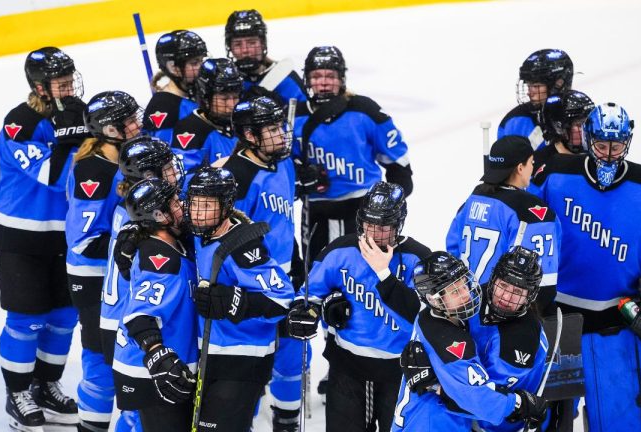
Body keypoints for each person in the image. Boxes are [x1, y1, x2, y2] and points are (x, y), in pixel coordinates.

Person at [529, 102, 641, 431]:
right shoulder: (555, 175)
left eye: (616, 146)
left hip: (618, 321)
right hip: (559, 320)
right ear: (588, 140)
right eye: (601, 145)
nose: (608, 154)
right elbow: (526, 223)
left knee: (621, 421)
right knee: (551, 420)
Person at [0, 46, 88, 431]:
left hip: (65, 236)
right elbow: (51, 175)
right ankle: (18, 393)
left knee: (64, 318)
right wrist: (68, 139)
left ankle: (46, 386)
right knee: (26, 319)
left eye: (70, 80)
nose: (68, 88)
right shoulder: (19, 123)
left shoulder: (78, 113)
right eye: (60, 82)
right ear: (40, 86)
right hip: (22, 238)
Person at [288, 181, 431, 431]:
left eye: (383, 227)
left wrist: (383, 273)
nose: (374, 233)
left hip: (400, 373)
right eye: (369, 224)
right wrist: (307, 311)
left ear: (399, 224)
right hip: (348, 370)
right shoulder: (339, 251)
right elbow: (309, 296)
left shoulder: (418, 259)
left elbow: (422, 314)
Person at [186, 166, 295, 431]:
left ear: (225, 206)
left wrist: (232, 300)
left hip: (243, 360)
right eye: (194, 204)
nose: (198, 213)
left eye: (207, 205)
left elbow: (282, 299)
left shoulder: (243, 246)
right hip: (212, 355)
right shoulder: (201, 234)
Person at [394, 248, 549, 431]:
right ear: (493, 279)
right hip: (438, 421)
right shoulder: (465, 307)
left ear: (529, 296)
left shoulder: (523, 339)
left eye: (518, 292)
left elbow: (481, 401)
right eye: (504, 286)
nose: (506, 297)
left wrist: (435, 384)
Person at [222, 96, 303, 429]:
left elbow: (284, 222)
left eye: (279, 126)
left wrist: (296, 264)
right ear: (250, 136)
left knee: (293, 358)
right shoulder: (236, 176)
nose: (281, 134)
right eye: (271, 129)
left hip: (286, 281)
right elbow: (229, 240)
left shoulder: (282, 161)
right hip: (252, 287)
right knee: (251, 365)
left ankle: (286, 423)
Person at [64, 90, 142, 431]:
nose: (137, 125)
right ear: (109, 130)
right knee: (99, 355)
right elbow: (84, 240)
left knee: (121, 352)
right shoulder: (93, 170)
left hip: (116, 277)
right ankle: (91, 426)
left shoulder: (126, 159)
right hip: (93, 277)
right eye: (128, 121)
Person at [293, 46, 414, 264]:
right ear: (307, 80)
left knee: (368, 271)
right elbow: (284, 166)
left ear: (341, 78)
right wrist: (297, 178)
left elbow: (397, 162)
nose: (323, 82)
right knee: (316, 273)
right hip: (315, 211)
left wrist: (394, 200)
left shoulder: (363, 109)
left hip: (363, 211)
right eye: (317, 76)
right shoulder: (295, 117)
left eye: (330, 76)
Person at [101, 135, 183, 431]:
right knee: (140, 417)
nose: (175, 172)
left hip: (121, 322)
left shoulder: (133, 210)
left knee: (136, 415)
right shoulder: (149, 226)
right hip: (134, 327)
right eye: (168, 168)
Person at [111, 178, 198, 431]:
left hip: (156, 365)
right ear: (160, 215)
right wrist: (157, 355)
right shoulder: (158, 257)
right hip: (151, 370)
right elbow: (140, 317)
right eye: (175, 203)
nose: (182, 206)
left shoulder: (177, 245)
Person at [446, 135, 560, 313]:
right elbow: (543, 284)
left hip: (469, 311)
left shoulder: (471, 201)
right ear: (520, 167)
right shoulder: (530, 212)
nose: (533, 167)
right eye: (531, 162)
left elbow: (452, 250)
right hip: (507, 320)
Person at [170, 57, 243, 173]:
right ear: (206, 98)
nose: (232, 105)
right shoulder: (189, 130)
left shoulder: (244, 121)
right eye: (224, 99)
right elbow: (183, 179)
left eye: (235, 97)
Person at [224, 9, 307, 105]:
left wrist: (281, 108)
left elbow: (305, 117)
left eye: (251, 43)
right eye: (238, 44)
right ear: (230, 47)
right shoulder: (224, 82)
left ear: (263, 43)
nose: (245, 50)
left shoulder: (286, 79)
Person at [498, 49, 573, 151]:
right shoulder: (514, 122)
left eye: (536, 86)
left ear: (558, 84)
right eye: (528, 85)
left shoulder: (580, 115)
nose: (529, 93)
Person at [143, 30, 207, 142]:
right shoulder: (164, 108)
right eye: (194, 63)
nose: (202, 67)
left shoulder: (197, 93)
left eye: (202, 61)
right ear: (173, 68)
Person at [534, 90, 595, 171]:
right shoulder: (541, 163)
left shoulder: (599, 156)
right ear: (559, 129)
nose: (587, 129)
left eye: (589, 122)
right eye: (579, 125)